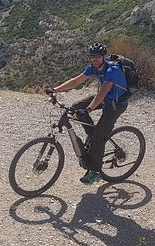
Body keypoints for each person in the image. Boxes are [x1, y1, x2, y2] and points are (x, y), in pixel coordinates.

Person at [45, 43, 129, 185]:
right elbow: (76, 81)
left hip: (116, 105)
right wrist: (55, 90)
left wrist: (89, 109)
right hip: (105, 99)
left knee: (98, 137)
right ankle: (92, 135)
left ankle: (96, 172)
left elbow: (102, 93)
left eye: (97, 57)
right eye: (92, 57)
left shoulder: (112, 70)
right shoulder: (93, 68)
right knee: (76, 107)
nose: (94, 59)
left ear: (104, 57)